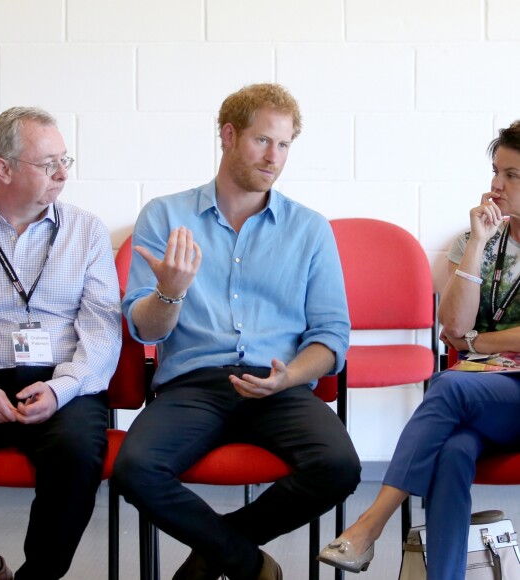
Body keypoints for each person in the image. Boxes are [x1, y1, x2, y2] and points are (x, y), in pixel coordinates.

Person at [113, 83, 361, 580]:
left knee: (339, 467)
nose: (274, 157)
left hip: (278, 385)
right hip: (194, 384)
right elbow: (145, 331)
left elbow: (332, 335)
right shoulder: (165, 215)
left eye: (284, 144)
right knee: (134, 470)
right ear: (228, 135)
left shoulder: (310, 229)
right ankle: (247, 563)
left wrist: (288, 376)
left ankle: (215, 553)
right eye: (262, 140)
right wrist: (170, 292)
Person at [318, 120, 520, 579]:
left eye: (512, 175)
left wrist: (475, 343)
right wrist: (478, 249)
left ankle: (371, 524)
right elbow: (452, 326)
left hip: (488, 390)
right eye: (495, 171)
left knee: (448, 385)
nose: (496, 184)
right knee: (452, 454)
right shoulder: (477, 239)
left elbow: (465, 339)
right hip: (484, 396)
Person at [0, 107, 121, 580]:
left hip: (63, 383)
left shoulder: (86, 231)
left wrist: (62, 389)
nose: (63, 174)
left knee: (79, 453)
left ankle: (37, 577)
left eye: (66, 160)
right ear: (4, 169)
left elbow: (103, 330)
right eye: (48, 163)